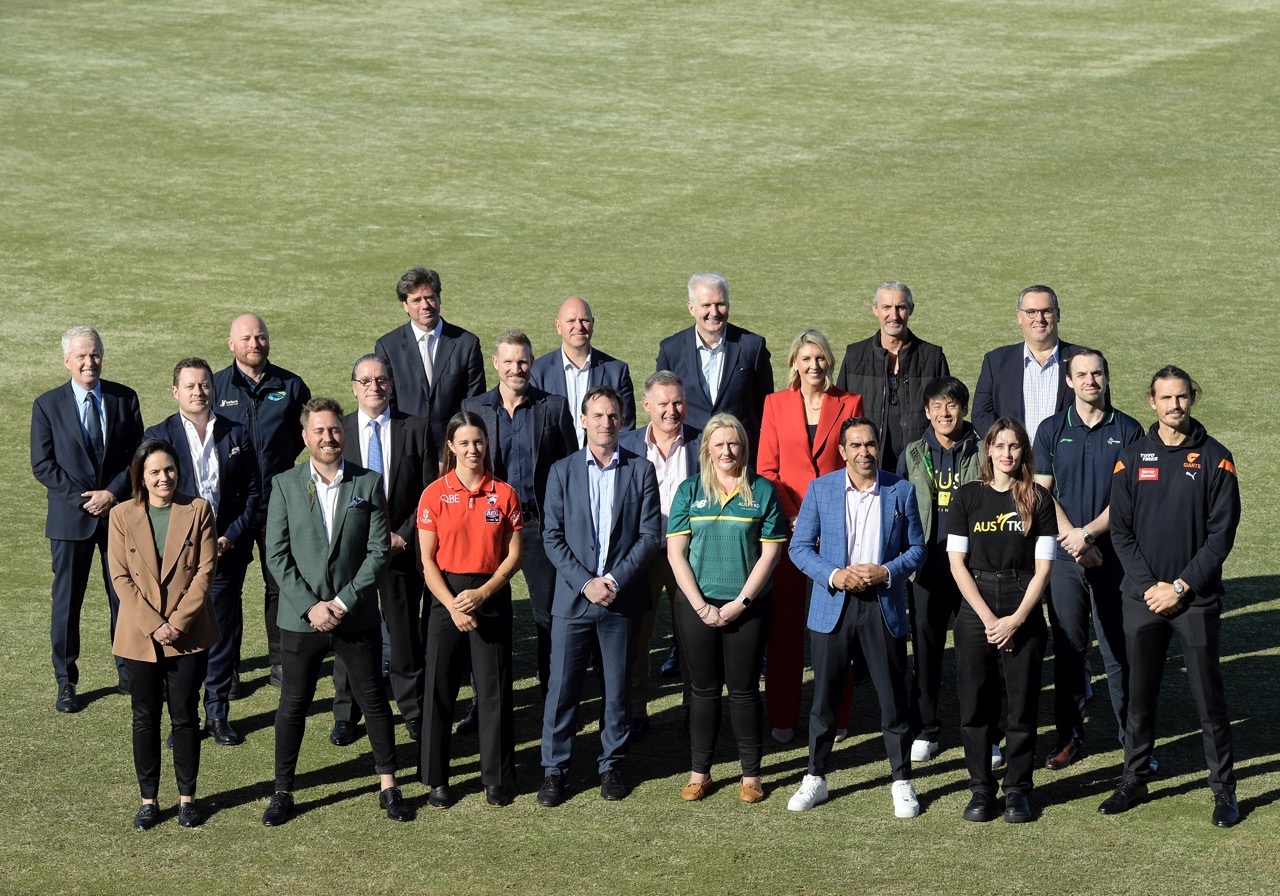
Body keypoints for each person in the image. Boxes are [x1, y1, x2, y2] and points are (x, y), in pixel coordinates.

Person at [1098, 367, 1242, 827]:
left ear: (1191, 400)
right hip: (1141, 599)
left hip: (1193, 600)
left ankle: (1223, 791)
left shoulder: (1217, 458)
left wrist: (1179, 587)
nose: (1174, 406)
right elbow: (1119, 532)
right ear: (1151, 402)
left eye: (1182, 397)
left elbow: (1220, 537)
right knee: (1139, 695)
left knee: (1208, 698)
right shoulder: (1130, 457)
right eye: (1166, 398)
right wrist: (1148, 587)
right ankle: (1133, 779)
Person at [261, 398, 412, 826]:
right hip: (301, 619)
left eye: (335, 430)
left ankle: (389, 786)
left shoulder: (368, 483)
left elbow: (378, 549)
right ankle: (282, 791)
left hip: (355, 615)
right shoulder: (285, 484)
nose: (329, 438)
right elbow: (276, 555)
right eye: (320, 431)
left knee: (374, 701)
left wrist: (342, 603)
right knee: (292, 705)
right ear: (306, 436)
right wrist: (312, 607)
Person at [786, 418, 927, 817]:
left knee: (892, 697)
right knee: (825, 700)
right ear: (843, 451)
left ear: (878, 446)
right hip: (833, 605)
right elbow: (799, 548)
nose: (864, 451)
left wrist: (887, 571)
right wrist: (834, 574)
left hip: (882, 605)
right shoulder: (820, 489)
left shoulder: (901, 490)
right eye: (856, 445)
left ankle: (901, 780)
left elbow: (917, 549)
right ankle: (816, 776)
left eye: (870, 444)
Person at [537, 386, 662, 806]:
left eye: (613, 415)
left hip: (620, 600)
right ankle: (555, 769)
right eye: (598, 415)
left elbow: (649, 536)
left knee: (617, 688)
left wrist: (613, 581)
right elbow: (551, 537)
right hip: (573, 602)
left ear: (622, 420)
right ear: (583, 421)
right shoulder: (562, 471)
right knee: (563, 689)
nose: (606, 423)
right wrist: (586, 582)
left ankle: (612, 764)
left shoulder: (641, 471)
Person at [1032, 350, 1143, 771]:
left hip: (1115, 558)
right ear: (1069, 382)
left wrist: (1089, 535)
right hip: (1065, 559)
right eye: (1082, 374)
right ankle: (1068, 739)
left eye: (1097, 373)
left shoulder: (1130, 430)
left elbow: (1128, 499)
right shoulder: (1050, 428)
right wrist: (1074, 540)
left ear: (1107, 378)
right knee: (1068, 651)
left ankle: (1133, 745)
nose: (1090, 381)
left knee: (1119, 653)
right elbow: (1043, 492)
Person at [667, 414, 786, 803]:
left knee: (745, 690)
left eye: (733, 443)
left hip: (747, 606)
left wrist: (740, 603)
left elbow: (771, 555)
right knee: (702, 690)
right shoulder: (688, 491)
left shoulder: (763, 492)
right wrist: (701, 607)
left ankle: (751, 775)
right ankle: (700, 773)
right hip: (696, 606)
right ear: (707, 449)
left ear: (744, 447)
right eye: (718, 444)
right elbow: (676, 554)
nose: (727, 451)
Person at [143, 358, 261, 746]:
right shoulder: (158, 436)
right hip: (177, 561)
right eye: (190, 386)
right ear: (175, 391)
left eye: (205, 385)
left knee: (223, 633)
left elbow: (252, 493)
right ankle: (185, 721)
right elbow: (149, 498)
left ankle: (218, 713)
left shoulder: (236, 433)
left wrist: (229, 535)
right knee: (182, 635)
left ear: (214, 389)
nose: (199, 392)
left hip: (225, 552)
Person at [756, 329, 863, 745]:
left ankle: (837, 716)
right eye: (806, 359)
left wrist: (822, 514)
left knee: (835, 628)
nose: (814, 366)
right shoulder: (774, 404)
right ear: (793, 364)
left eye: (821, 358)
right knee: (785, 628)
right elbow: (768, 468)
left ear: (830, 362)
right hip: (789, 530)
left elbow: (854, 462)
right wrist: (795, 513)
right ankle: (783, 716)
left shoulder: (849, 402)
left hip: (836, 529)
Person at [946, 418, 1056, 824]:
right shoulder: (967, 497)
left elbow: (1043, 569)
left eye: (1015, 447)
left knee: (1022, 705)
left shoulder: (1037, 498)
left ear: (1023, 453)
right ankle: (980, 790)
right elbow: (956, 564)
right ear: (987, 451)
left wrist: (1015, 620)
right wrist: (991, 619)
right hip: (976, 605)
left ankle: (1017, 791)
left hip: (1022, 599)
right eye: (1000, 446)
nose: (1007, 453)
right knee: (976, 704)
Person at [107, 439, 219, 829]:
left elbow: (206, 572)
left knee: (186, 716)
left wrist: (177, 623)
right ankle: (149, 800)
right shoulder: (121, 515)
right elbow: (120, 576)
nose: (163, 478)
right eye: (154, 471)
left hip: (187, 635)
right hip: (140, 635)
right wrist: (155, 624)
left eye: (169, 469)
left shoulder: (198, 509)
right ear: (141, 476)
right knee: (145, 717)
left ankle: (188, 799)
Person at [31, 325, 144, 710]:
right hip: (70, 521)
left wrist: (112, 493)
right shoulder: (47, 405)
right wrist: (86, 501)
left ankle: (130, 672)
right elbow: (43, 465)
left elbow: (137, 456)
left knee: (125, 596)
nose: (88, 361)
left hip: (117, 516)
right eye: (80, 355)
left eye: (94, 354)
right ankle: (66, 681)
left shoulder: (124, 398)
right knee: (67, 603)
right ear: (67, 361)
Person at [462, 329, 576, 703]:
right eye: (508, 361)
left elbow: (570, 468)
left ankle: (552, 697)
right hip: (489, 527)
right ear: (496, 364)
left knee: (547, 616)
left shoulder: (554, 407)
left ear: (532, 363)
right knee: (486, 615)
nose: (516, 368)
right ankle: (486, 701)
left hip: (538, 526)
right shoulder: (475, 408)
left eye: (523, 361)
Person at [417, 411, 523, 809]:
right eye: (464, 442)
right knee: (439, 688)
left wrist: (484, 593)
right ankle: (437, 779)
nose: (472, 449)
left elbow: (513, 556)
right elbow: (427, 561)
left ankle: (496, 778)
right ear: (451, 446)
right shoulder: (434, 493)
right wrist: (453, 606)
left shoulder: (504, 493)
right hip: (447, 595)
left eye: (478, 441)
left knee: (494, 688)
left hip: (490, 594)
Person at [331, 355, 435, 745]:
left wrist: (403, 537)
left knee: (403, 634)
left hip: (399, 552)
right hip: (352, 556)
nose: (374, 386)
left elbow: (428, 495)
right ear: (354, 387)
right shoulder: (339, 432)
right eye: (366, 380)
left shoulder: (417, 429)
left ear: (391, 385)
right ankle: (346, 711)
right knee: (349, 633)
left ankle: (412, 709)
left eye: (381, 380)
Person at [213, 313, 311, 688]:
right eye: (246, 338)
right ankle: (229, 667)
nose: (255, 344)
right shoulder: (217, 385)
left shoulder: (290, 384)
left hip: (278, 504)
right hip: (233, 508)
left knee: (279, 585)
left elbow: (305, 432)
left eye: (261, 337)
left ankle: (280, 662)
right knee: (227, 588)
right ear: (231, 344)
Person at [896, 376, 982, 763]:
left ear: (963, 408)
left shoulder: (984, 449)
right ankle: (927, 729)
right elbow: (896, 507)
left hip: (973, 569)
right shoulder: (913, 452)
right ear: (927, 412)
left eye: (952, 405)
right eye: (937, 406)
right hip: (927, 569)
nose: (944, 413)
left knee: (975, 655)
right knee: (927, 653)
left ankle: (982, 731)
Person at [619, 371, 701, 736]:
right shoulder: (628, 445)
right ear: (647, 405)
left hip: (691, 552)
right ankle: (636, 711)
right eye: (664, 404)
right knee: (638, 636)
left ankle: (693, 708)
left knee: (692, 635)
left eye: (678, 402)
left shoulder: (702, 443)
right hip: (643, 555)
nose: (672, 411)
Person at [655, 273, 772, 460]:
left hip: (738, 457)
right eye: (706, 305)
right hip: (689, 455)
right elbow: (661, 404)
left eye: (720, 304)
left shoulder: (752, 347)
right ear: (691, 308)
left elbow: (765, 408)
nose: (714, 312)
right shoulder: (671, 350)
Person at [835, 281, 950, 471]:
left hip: (920, 465)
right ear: (875, 310)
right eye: (886, 307)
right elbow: (841, 414)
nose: (893, 315)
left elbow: (946, 413)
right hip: (868, 464)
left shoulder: (933, 357)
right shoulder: (854, 356)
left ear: (911, 309)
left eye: (901, 307)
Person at [375, 266, 486, 451]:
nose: (425, 305)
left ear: (439, 298)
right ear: (405, 305)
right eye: (416, 300)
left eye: (430, 297)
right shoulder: (388, 346)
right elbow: (387, 402)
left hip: (452, 449)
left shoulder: (466, 343)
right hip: (406, 449)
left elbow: (473, 401)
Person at [971, 285, 1102, 442]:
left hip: (1066, 462)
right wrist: (1008, 446)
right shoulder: (996, 361)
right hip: (1014, 463)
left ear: (1057, 314)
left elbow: (1100, 412)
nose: (1039, 319)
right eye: (1031, 312)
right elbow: (981, 414)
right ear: (1019, 316)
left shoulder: (1087, 360)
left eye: (1046, 311)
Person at [531, 296, 637, 444]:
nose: (579, 326)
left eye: (584, 320)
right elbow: (534, 430)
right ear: (558, 326)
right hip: (555, 464)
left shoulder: (617, 372)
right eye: (571, 321)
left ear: (593, 323)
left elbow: (626, 431)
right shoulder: (538, 372)